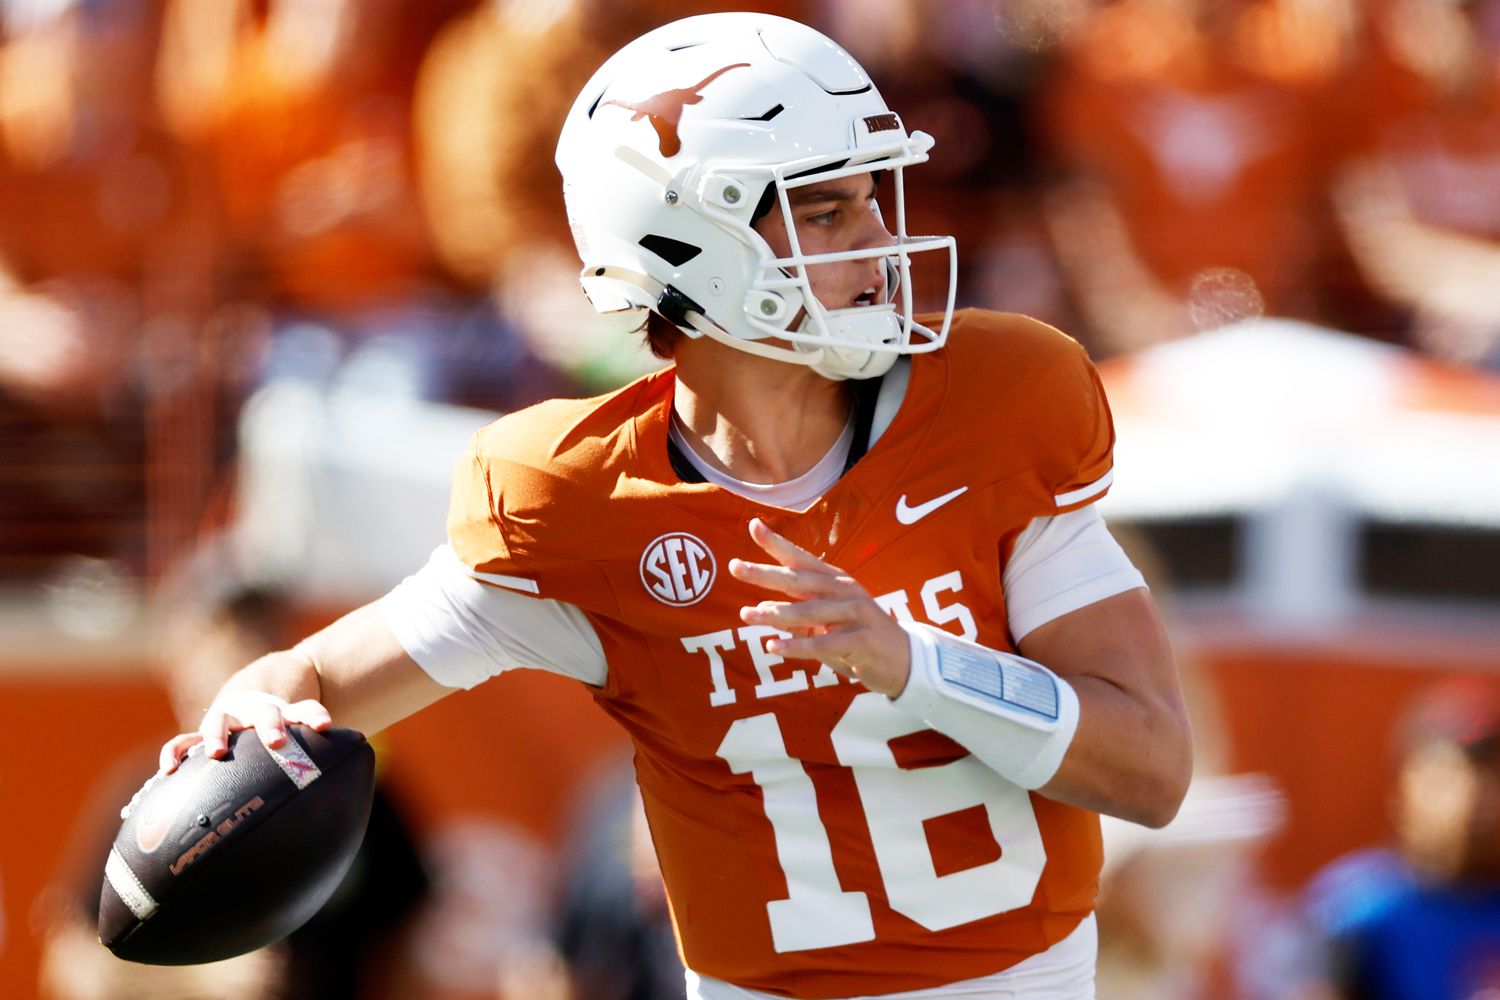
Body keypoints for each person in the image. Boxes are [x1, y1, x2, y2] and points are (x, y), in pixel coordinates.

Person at [154, 13, 1192, 1000]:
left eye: (877, 196)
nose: (878, 239)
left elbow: (1149, 767)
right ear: (694, 244)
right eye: (828, 208)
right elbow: (316, 679)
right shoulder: (575, 498)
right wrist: (259, 703)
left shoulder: (997, 403)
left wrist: (916, 665)